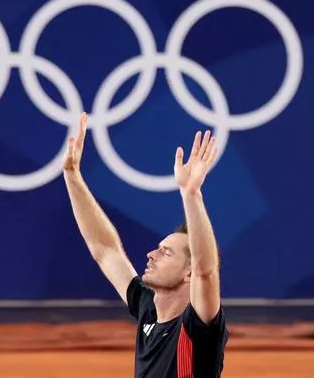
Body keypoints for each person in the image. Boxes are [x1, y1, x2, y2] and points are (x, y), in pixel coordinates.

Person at [63, 112, 228, 377]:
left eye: (165, 252)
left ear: (188, 273)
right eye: (158, 248)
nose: (151, 255)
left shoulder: (198, 328)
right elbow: (105, 250)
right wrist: (72, 176)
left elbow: (206, 271)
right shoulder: (148, 307)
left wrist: (191, 195)